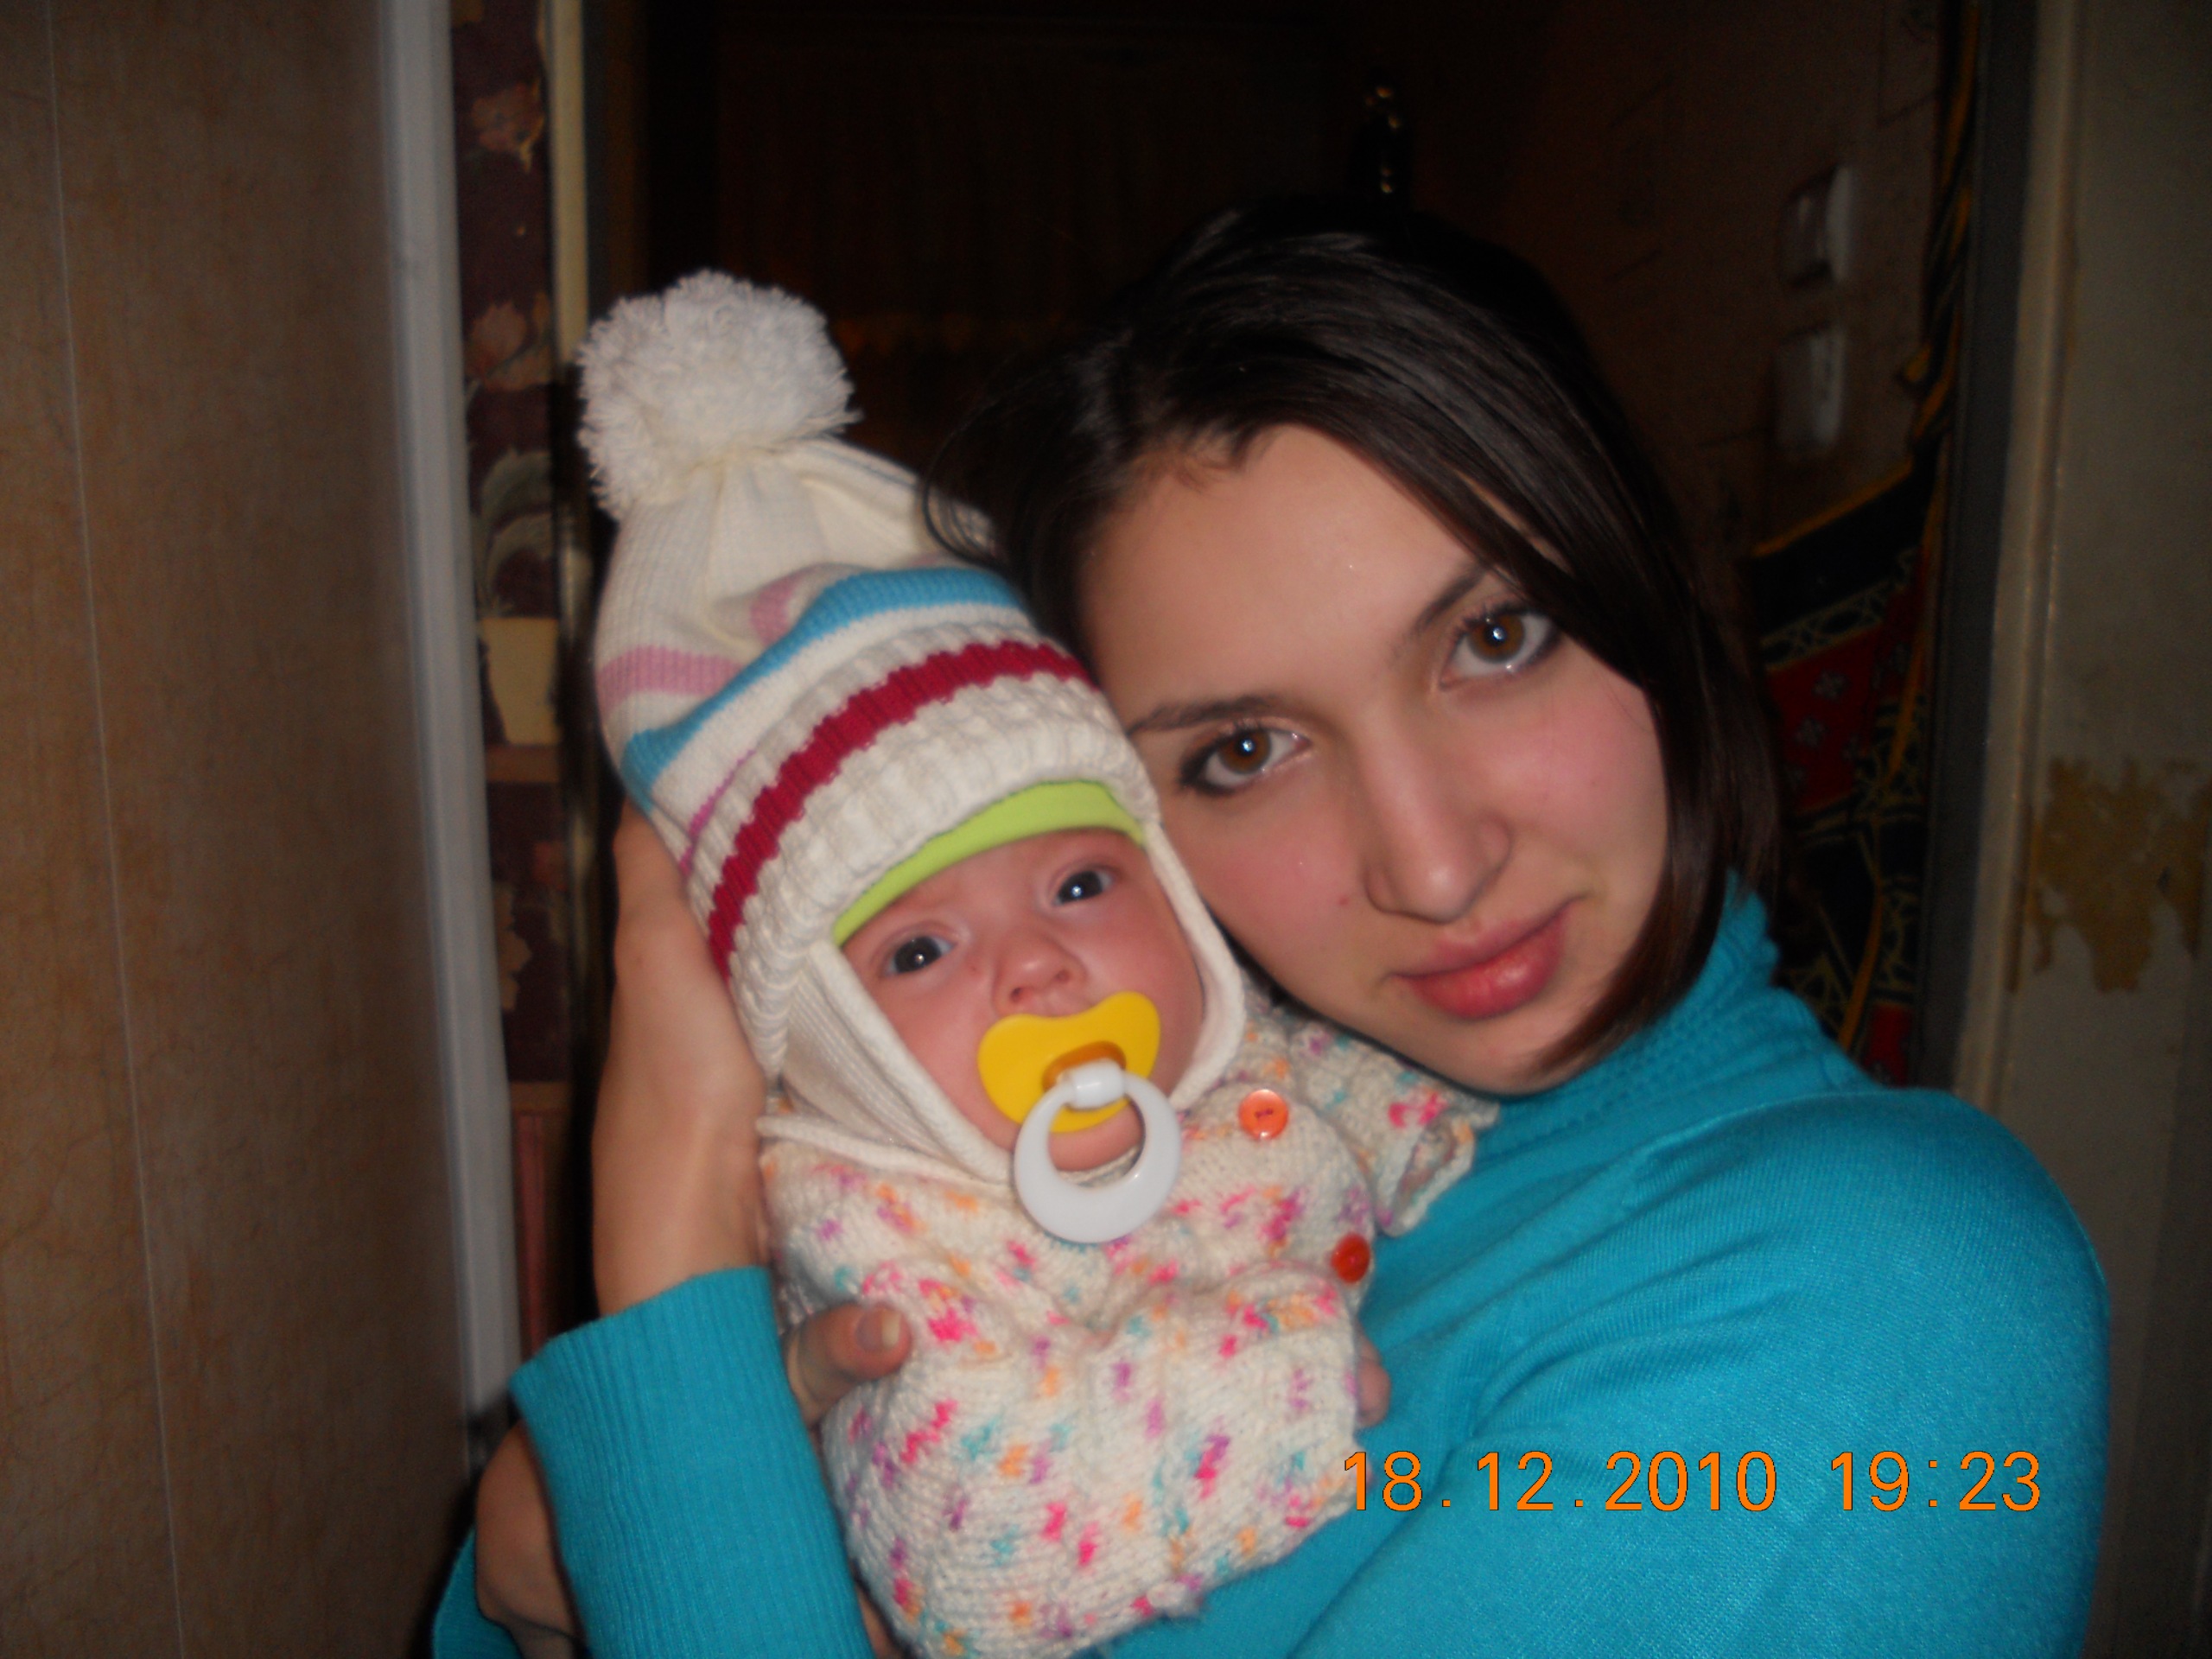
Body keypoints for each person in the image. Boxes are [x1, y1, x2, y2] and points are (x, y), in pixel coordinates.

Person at [443, 198, 2107, 1657]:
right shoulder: (1178, 1152)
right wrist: (611, 1528)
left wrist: (672, 1310)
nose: (1434, 867)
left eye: (1496, 637)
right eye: (1243, 752)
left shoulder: (1885, 1317)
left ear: (1649, 583)